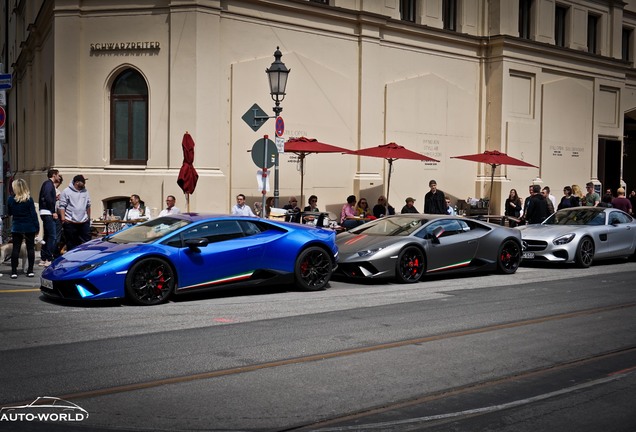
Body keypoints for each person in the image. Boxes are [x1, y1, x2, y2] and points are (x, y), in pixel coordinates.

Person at [7, 179, 40, 278]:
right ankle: (30, 270)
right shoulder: (29, 199)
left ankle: (14, 272)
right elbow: (33, 215)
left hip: (17, 227)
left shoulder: (10, 199)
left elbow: (10, 213)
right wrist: (37, 227)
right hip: (29, 226)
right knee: (30, 249)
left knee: (16, 249)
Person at [59, 175, 92, 251]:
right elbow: (62, 206)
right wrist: (63, 219)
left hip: (83, 221)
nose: (84, 184)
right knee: (71, 243)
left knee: (86, 242)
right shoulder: (66, 191)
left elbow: (88, 205)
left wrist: (88, 218)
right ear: (77, 182)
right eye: (83, 182)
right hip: (70, 222)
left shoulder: (85, 191)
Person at [37, 168, 61, 267]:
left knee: (47, 235)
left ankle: (43, 258)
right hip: (47, 212)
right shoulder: (48, 184)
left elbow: (47, 197)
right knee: (52, 236)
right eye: (58, 175)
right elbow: (47, 197)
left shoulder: (47, 184)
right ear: (54, 175)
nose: (59, 177)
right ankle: (48, 258)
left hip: (46, 212)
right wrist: (53, 211)